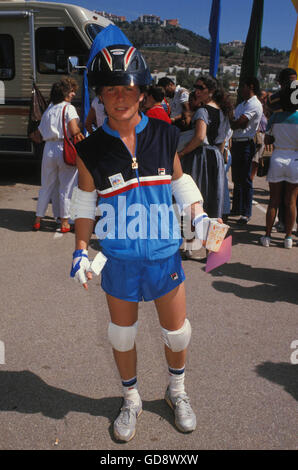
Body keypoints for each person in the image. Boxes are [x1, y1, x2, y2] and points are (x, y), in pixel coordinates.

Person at [70, 43, 221, 442]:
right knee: (121, 335)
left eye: (128, 88)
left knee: (178, 334)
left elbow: (180, 182)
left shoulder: (164, 133)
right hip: (118, 260)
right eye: (111, 90)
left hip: (163, 255)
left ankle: (177, 392)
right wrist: (80, 249)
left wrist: (199, 215)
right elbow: (85, 202)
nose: (120, 97)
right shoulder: (90, 149)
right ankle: (131, 398)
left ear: (142, 92)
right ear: (100, 95)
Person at [33, 77, 84, 232]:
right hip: (64, 147)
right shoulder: (68, 108)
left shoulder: (49, 108)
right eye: (71, 91)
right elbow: (74, 130)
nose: (73, 94)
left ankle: (38, 219)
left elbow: (40, 133)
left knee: (47, 186)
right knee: (66, 187)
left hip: (48, 148)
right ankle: (65, 222)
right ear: (65, 93)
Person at [178, 75, 230, 220]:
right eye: (195, 87)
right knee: (213, 194)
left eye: (201, 88)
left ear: (211, 90)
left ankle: (196, 228)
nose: (196, 91)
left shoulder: (203, 111)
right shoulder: (222, 111)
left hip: (201, 156)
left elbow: (200, 137)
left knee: (198, 193)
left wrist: (182, 153)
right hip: (216, 156)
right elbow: (222, 140)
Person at [260, 81, 298, 249]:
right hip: (295, 159)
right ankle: (288, 238)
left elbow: (267, 140)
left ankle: (267, 236)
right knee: (291, 202)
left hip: (277, 157)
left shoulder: (275, 117)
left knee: (273, 200)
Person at [230, 77, 263, 224]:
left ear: (250, 86)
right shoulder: (242, 104)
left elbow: (240, 123)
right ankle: (237, 207)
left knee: (245, 179)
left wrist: (231, 120)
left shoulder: (254, 104)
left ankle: (246, 212)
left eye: (242, 86)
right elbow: (236, 121)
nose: (239, 90)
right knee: (237, 178)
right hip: (237, 143)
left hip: (245, 143)